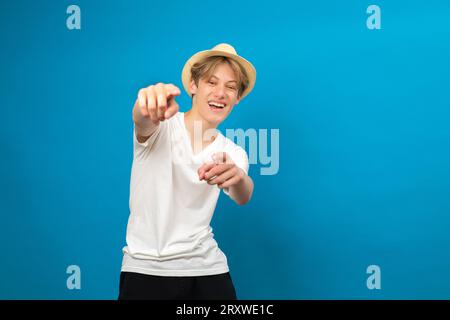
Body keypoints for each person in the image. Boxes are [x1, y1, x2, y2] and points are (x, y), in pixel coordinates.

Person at [118, 43, 257, 300]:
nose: (221, 93)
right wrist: (147, 103)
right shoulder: (163, 127)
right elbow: (142, 118)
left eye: (230, 87)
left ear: (237, 97)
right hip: (146, 269)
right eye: (211, 82)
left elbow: (243, 194)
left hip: (208, 271)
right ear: (193, 86)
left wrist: (238, 178)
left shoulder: (233, 151)